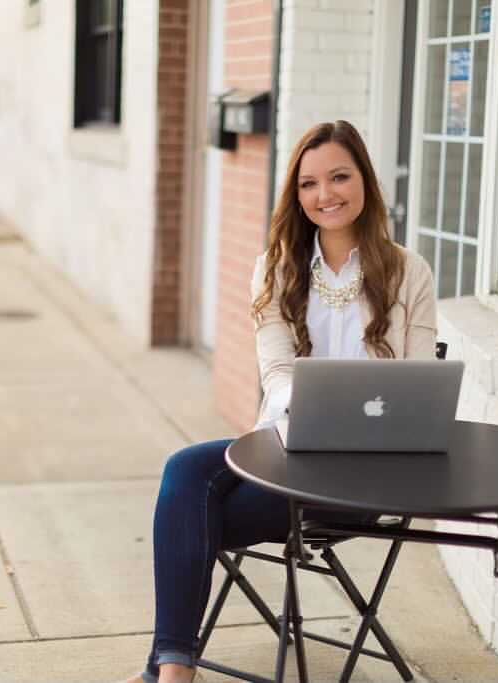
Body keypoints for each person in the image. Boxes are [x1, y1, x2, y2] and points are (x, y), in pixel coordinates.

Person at [124, 120, 438, 683]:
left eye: (340, 177)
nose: (326, 195)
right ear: (296, 195)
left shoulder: (408, 271)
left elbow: (417, 384)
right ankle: (174, 673)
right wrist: (311, 414)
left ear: (364, 180)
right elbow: (277, 373)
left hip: (366, 478)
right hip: (286, 453)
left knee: (195, 515)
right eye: (309, 184)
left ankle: (165, 675)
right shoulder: (276, 268)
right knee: (185, 471)